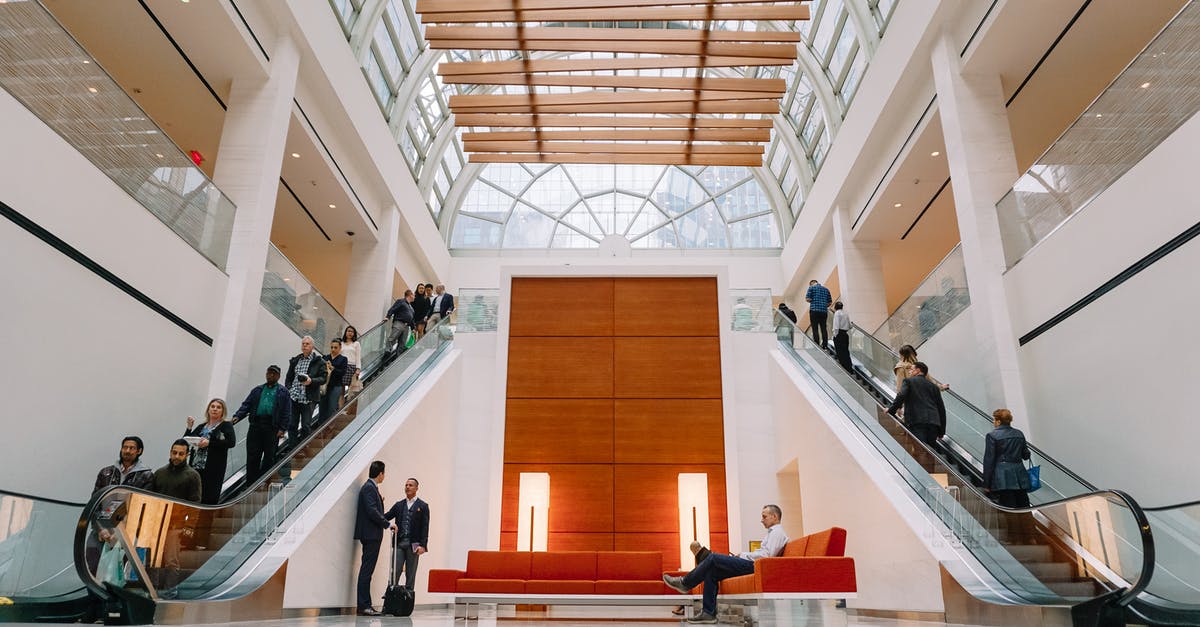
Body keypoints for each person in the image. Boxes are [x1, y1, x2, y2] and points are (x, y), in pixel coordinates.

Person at [663, 505, 788, 624]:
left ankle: (685, 582)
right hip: (754, 564)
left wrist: (744, 555)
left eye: (764, 516)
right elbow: (764, 554)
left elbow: (767, 557)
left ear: (775, 517)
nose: (762, 520)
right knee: (711, 572)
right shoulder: (772, 533)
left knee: (713, 558)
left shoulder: (777, 532)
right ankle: (708, 613)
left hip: (755, 566)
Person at [152, 439, 203, 595]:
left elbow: (195, 504)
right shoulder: (160, 473)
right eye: (174, 452)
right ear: (170, 452)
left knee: (171, 560)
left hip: (176, 524)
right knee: (153, 559)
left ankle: (170, 591)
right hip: (157, 523)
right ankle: (152, 589)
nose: (177, 456)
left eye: (181, 453)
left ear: (187, 455)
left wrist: (189, 527)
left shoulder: (192, 476)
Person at [232, 365, 292, 485]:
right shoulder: (257, 390)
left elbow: (287, 411)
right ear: (266, 374)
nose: (271, 375)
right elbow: (246, 405)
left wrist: (283, 428)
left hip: (272, 427)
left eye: (274, 374)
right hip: (256, 425)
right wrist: (237, 416)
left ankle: (263, 482)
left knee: (269, 456)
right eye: (269, 373)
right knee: (253, 455)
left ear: (278, 376)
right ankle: (250, 484)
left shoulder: (283, 392)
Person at [354, 461, 397, 616]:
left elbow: (372, 508)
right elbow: (371, 511)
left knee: (367, 571)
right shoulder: (369, 488)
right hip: (371, 535)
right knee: (367, 571)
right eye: (384, 473)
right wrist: (387, 524)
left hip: (371, 534)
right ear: (380, 474)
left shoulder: (371, 488)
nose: (384, 476)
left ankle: (365, 604)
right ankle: (364, 605)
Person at [183, 398, 236, 505]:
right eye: (212, 406)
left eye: (218, 407)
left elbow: (231, 442)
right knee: (194, 494)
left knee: (209, 495)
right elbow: (186, 440)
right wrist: (189, 427)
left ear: (222, 411)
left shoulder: (226, 425)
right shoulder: (202, 426)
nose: (215, 409)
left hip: (213, 467)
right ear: (208, 409)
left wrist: (210, 443)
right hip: (196, 466)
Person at [886, 362, 947, 448]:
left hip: (917, 421)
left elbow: (901, 395)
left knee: (919, 449)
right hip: (934, 423)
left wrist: (891, 410)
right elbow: (941, 409)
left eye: (911, 369)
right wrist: (941, 431)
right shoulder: (934, 387)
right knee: (930, 452)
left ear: (918, 371)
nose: (909, 371)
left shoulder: (908, 381)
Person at [385, 477, 430, 591]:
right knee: (395, 570)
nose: (407, 487)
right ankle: (391, 597)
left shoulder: (423, 506)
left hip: (414, 544)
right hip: (399, 542)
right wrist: (379, 504)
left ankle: (408, 600)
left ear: (416, 488)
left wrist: (423, 545)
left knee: (411, 573)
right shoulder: (399, 505)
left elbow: (425, 527)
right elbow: (385, 517)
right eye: (406, 485)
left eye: (410, 485)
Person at [983, 409, 1032, 508]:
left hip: (1002, 477)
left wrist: (987, 484)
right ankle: (1027, 523)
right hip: (1020, 476)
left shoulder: (992, 435)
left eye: (994, 420)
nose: (993, 422)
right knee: (1024, 504)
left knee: (1008, 505)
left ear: (999, 421)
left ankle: (1014, 523)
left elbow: (989, 461)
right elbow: (1026, 455)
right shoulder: (1019, 434)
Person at [285, 335, 326, 444]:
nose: (304, 346)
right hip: (294, 397)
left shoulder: (319, 361)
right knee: (291, 425)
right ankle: (292, 449)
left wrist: (311, 381)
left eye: (307, 344)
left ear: (312, 346)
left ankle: (303, 449)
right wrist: (289, 389)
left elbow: (323, 378)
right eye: (303, 344)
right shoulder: (296, 360)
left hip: (308, 399)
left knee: (305, 426)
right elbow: (289, 377)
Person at [321, 339, 348, 424]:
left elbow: (343, 372)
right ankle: (320, 429)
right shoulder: (326, 357)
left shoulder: (343, 359)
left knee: (331, 408)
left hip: (336, 386)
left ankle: (329, 428)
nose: (333, 349)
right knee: (322, 408)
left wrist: (333, 368)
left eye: (335, 347)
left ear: (340, 348)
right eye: (332, 347)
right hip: (324, 386)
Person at [384, 290, 416, 355]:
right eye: (413, 295)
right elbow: (393, 309)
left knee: (402, 343)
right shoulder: (401, 301)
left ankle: (398, 356)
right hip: (399, 323)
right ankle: (387, 351)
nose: (414, 297)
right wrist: (388, 316)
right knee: (393, 337)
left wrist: (413, 328)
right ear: (410, 295)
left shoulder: (411, 308)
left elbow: (411, 319)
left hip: (407, 326)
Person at [804, 279, 832, 349]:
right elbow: (829, 302)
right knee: (823, 328)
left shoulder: (811, 288)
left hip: (814, 311)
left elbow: (807, 299)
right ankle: (825, 345)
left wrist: (813, 300)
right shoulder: (826, 289)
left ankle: (817, 344)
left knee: (815, 328)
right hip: (824, 312)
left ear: (811, 284)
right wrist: (823, 305)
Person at [340, 326, 363, 404]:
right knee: (341, 391)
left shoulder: (356, 344)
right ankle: (340, 410)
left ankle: (349, 410)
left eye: (352, 331)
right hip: (342, 367)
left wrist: (358, 369)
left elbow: (358, 356)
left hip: (352, 367)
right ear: (345, 332)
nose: (350, 333)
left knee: (352, 390)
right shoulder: (341, 343)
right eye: (348, 331)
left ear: (354, 334)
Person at [832, 301, 853, 372]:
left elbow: (836, 325)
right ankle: (849, 367)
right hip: (845, 335)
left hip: (839, 334)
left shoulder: (837, 313)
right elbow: (850, 326)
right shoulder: (845, 313)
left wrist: (835, 335)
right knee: (846, 351)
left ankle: (844, 368)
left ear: (835, 307)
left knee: (840, 352)